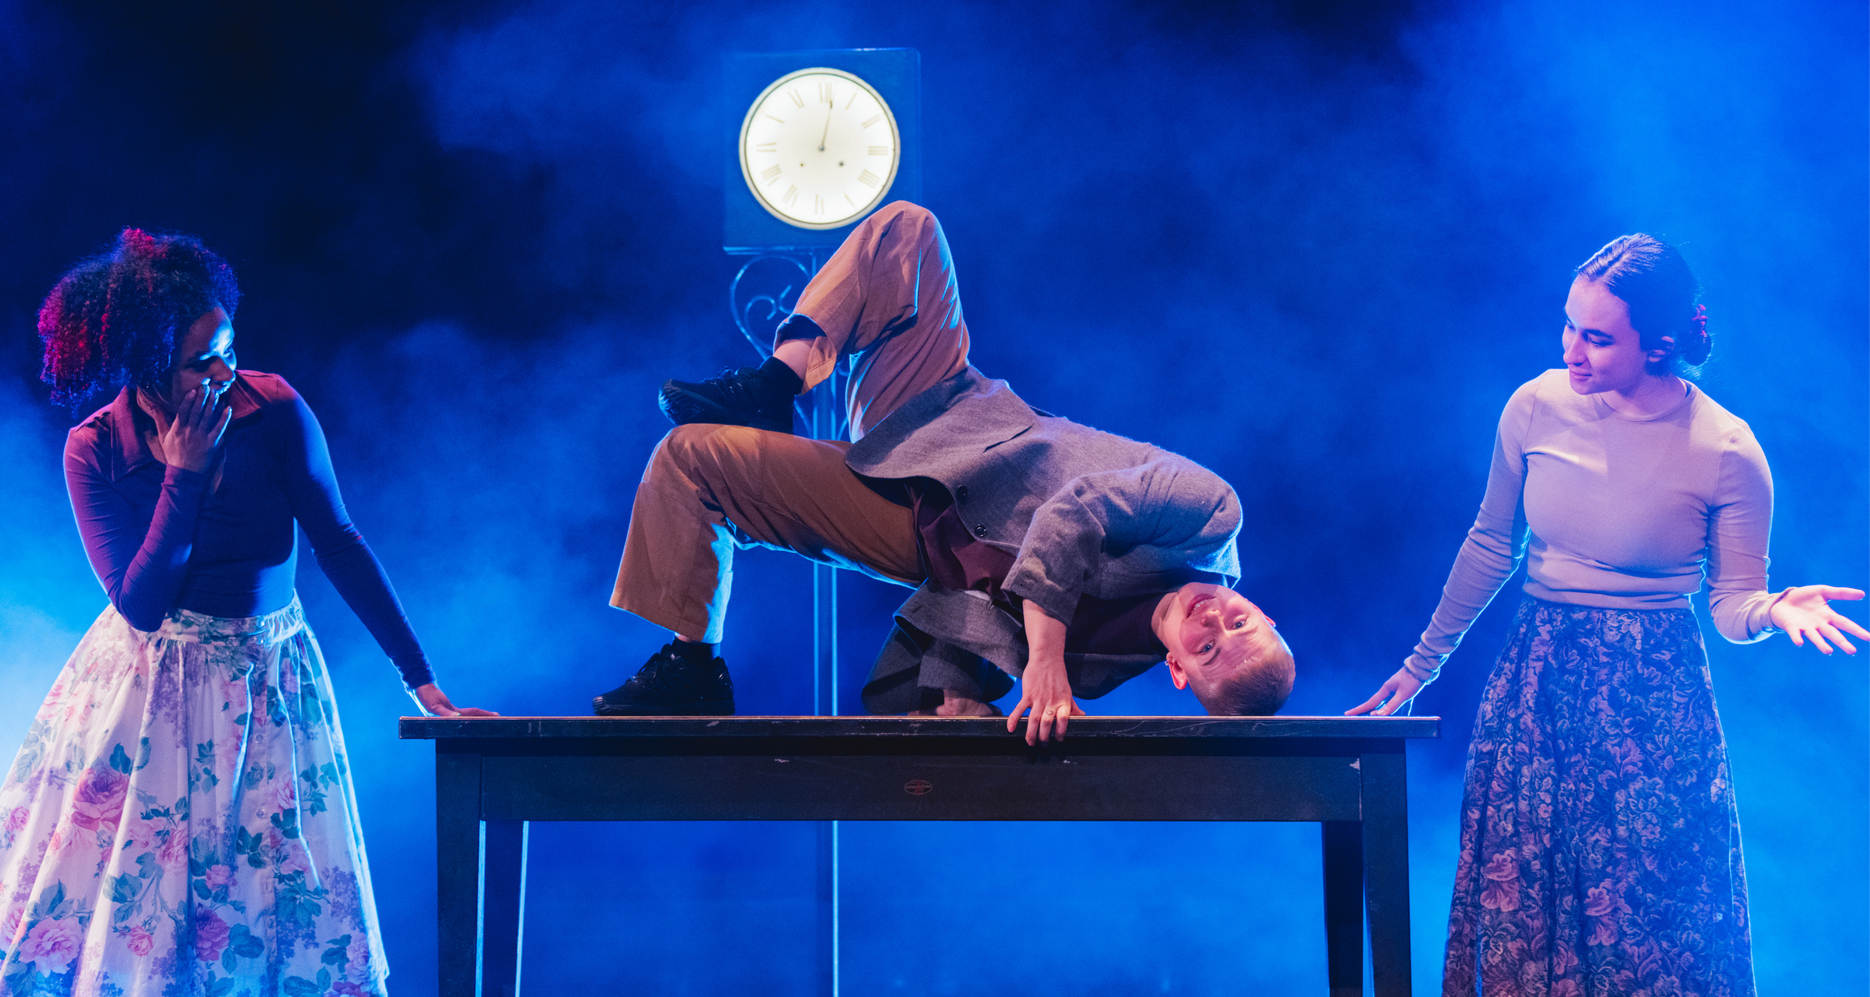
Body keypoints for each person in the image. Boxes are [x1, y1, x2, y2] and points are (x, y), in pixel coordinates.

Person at [1349, 234, 1869, 996]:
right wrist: (1420, 664)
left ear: (1658, 346)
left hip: (1651, 707)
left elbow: (1729, 603)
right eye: (1569, 325)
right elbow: (1493, 543)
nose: (1572, 350)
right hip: (1538, 688)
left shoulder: (1726, 449)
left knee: (1652, 928)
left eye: (1596, 336)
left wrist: (1772, 609)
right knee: (1526, 909)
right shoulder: (1534, 406)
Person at [0, 229, 493, 995]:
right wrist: (184, 476)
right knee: (143, 912)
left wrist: (421, 680)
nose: (226, 371)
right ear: (147, 363)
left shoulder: (273, 409)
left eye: (230, 347)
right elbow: (141, 603)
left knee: (271, 901)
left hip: (270, 679)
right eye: (202, 361)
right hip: (151, 687)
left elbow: (340, 541)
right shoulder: (95, 449)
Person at [597, 201, 1293, 742]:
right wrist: (1044, 660)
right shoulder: (1209, 517)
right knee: (908, 229)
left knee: (691, 455)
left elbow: (978, 615)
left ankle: (692, 665)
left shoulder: (1097, 668)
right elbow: (1073, 514)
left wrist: (958, 700)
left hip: (915, 522)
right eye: (1243, 626)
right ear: (1260, 609)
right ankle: (774, 385)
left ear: (1178, 669)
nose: (1217, 623)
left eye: (1208, 649)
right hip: (952, 417)